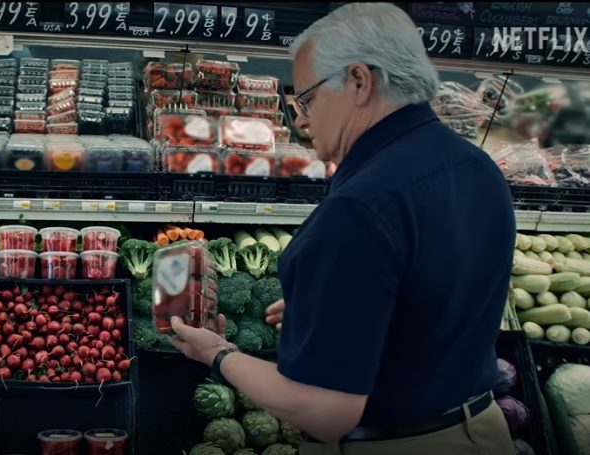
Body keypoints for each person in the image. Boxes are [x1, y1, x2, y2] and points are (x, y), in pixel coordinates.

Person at [169, 3, 517, 454]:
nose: (301, 119)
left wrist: (216, 352)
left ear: (359, 81)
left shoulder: (361, 206)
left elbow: (324, 412)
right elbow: (432, 304)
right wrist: (336, 312)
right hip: (482, 431)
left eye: (308, 98)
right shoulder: (478, 167)